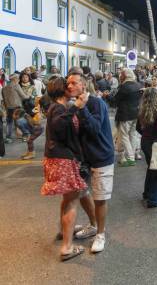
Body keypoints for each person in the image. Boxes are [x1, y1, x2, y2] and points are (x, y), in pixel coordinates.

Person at [66, 69, 116, 253]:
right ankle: (93, 225)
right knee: (81, 193)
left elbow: (94, 129)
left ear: (84, 85)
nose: (69, 86)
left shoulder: (96, 103)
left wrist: (82, 108)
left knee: (100, 199)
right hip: (84, 159)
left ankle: (100, 234)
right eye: (68, 83)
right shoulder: (75, 104)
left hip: (101, 157)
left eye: (73, 83)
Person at [41, 77, 88, 261]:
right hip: (62, 159)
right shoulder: (59, 108)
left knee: (67, 199)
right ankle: (67, 247)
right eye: (67, 84)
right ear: (62, 90)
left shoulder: (55, 107)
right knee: (71, 202)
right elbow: (60, 127)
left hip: (56, 158)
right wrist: (76, 105)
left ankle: (63, 231)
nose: (71, 86)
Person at [110, 68, 142, 166]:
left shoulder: (124, 87)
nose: (120, 76)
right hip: (135, 114)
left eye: (121, 74)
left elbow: (115, 101)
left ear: (125, 75)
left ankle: (130, 157)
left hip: (125, 114)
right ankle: (131, 156)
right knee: (132, 135)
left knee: (124, 136)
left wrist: (106, 96)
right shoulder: (138, 85)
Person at [2, 74, 28, 143]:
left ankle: (8, 138)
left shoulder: (4, 87)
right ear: (15, 79)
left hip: (9, 107)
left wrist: (6, 107)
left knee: (9, 122)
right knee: (21, 121)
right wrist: (29, 96)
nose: (19, 80)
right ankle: (25, 136)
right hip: (17, 106)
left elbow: (4, 100)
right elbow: (23, 96)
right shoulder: (16, 86)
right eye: (18, 78)